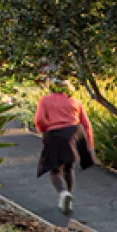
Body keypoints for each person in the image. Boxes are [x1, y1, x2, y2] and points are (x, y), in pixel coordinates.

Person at [34, 80, 95, 215]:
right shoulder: (75, 101)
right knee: (68, 167)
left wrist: (44, 129)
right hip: (73, 133)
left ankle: (63, 193)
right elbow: (86, 124)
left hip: (54, 135)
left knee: (54, 169)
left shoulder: (44, 100)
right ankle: (69, 196)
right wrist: (89, 144)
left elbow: (39, 120)